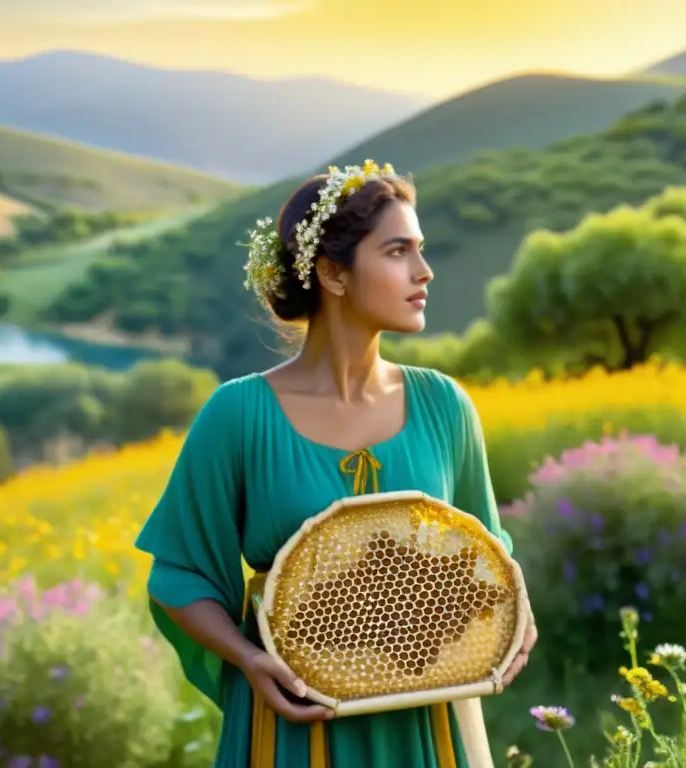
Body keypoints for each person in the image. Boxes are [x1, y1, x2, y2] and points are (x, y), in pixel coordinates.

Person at [134, 160, 538, 768]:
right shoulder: (238, 415)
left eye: (420, 250)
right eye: (397, 251)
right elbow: (179, 575)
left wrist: (515, 619)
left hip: (426, 721)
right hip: (298, 722)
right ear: (332, 274)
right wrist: (250, 660)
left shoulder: (445, 406)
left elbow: (489, 556)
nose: (424, 272)